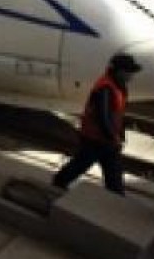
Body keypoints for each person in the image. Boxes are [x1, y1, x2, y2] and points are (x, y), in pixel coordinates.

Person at [52, 54, 142, 195]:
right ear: (119, 71)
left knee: (107, 172)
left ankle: (115, 196)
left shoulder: (119, 86)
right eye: (129, 72)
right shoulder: (105, 89)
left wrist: (119, 134)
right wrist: (113, 137)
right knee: (82, 164)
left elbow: (117, 114)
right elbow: (102, 117)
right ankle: (58, 183)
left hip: (105, 140)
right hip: (95, 139)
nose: (131, 76)